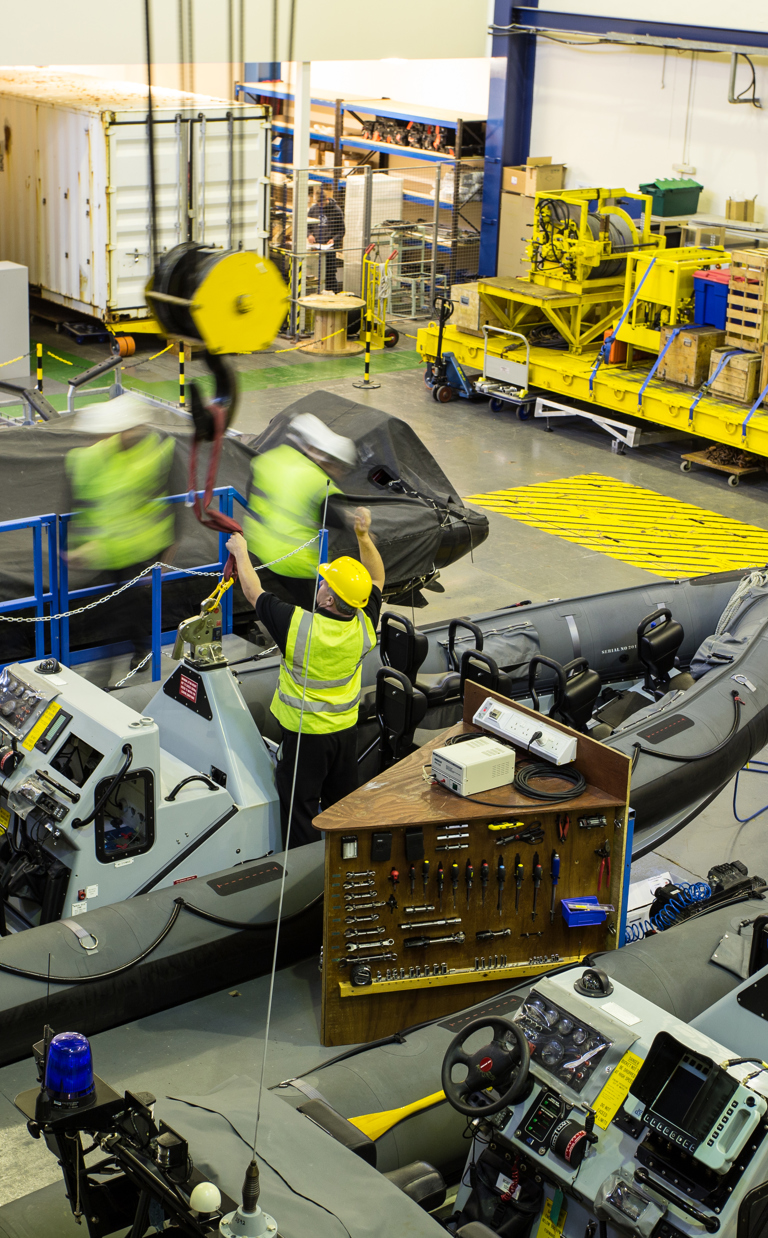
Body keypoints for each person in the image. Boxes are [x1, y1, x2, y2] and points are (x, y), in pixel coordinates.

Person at [227, 506, 385, 847]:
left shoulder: (299, 627)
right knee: (343, 806)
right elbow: (377, 579)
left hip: (305, 737)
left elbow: (254, 593)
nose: (321, 582)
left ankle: (305, 866)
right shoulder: (364, 623)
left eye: (326, 582)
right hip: (345, 732)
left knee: (299, 810)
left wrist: (240, 551)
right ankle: (346, 858)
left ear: (328, 598)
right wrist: (363, 536)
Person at [65, 394, 179, 671]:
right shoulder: (99, 457)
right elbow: (84, 499)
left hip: (140, 547)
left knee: (124, 605)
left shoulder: (157, 453)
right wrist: (78, 544)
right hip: (110, 549)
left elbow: (175, 503)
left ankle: (126, 659)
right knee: (121, 605)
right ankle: (137, 652)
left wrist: (168, 552)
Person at [244, 412, 357, 610]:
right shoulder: (319, 482)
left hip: (259, 549)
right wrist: (359, 529)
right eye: (341, 467)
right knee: (315, 612)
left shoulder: (271, 459)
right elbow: (335, 520)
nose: (340, 473)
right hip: (295, 564)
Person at [307, 190, 345, 293]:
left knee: (329, 274)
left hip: (329, 249)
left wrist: (334, 240)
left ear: (327, 199)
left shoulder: (336, 210)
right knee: (315, 273)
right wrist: (309, 235)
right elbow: (307, 226)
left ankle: (333, 294)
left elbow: (341, 230)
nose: (321, 205)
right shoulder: (313, 209)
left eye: (322, 203)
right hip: (316, 247)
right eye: (318, 203)